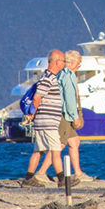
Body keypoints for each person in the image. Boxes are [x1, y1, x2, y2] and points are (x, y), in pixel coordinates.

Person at [22, 50, 80, 188]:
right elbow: (37, 97)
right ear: (56, 62)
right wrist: (33, 112)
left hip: (43, 121)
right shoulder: (48, 78)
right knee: (55, 151)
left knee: (38, 151)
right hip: (48, 122)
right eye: (62, 61)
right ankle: (63, 180)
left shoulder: (49, 77)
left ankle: (28, 179)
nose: (64, 63)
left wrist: (34, 115)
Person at [56, 49, 89, 180]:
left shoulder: (62, 74)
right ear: (73, 62)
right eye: (79, 64)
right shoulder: (69, 75)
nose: (79, 67)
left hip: (64, 113)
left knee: (74, 142)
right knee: (59, 145)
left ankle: (78, 173)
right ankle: (41, 172)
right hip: (65, 115)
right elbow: (70, 99)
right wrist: (75, 117)